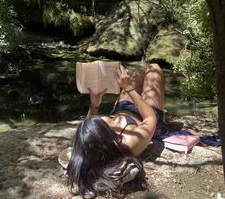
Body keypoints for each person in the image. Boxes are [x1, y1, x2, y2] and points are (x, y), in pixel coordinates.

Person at [66, 63, 165, 197]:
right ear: (104, 135)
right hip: (146, 111)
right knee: (153, 69)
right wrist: (128, 88)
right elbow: (150, 118)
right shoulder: (129, 142)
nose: (101, 117)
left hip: (122, 108)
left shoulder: (87, 146)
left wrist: (95, 104)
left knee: (135, 73)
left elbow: (88, 128)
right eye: (101, 120)